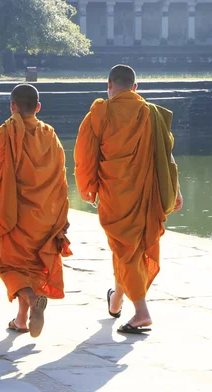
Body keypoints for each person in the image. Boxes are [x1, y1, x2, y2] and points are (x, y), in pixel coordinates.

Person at [74, 64, 183, 334]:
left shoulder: (101, 112)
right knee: (128, 250)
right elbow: (165, 155)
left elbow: (85, 155)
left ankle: (141, 312)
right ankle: (117, 299)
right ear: (135, 88)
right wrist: (175, 189)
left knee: (126, 250)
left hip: (115, 194)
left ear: (109, 85)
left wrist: (87, 187)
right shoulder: (151, 113)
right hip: (147, 193)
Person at [0, 84, 71, 338]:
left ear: (12, 106)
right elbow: (61, 180)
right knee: (31, 268)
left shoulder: (1, 134)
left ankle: (32, 300)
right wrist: (62, 218)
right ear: (38, 107)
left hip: (14, 216)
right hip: (45, 216)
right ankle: (21, 320)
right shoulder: (50, 135)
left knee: (11, 268)